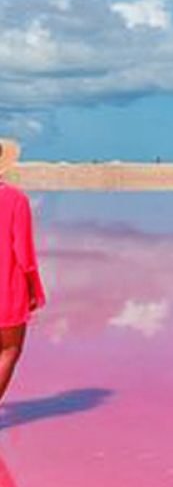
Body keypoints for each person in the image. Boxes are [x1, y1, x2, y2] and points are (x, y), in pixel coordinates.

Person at [0, 138, 46, 405]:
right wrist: (34, 291)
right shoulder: (16, 199)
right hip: (8, 288)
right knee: (9, 350)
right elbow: (24, 253)